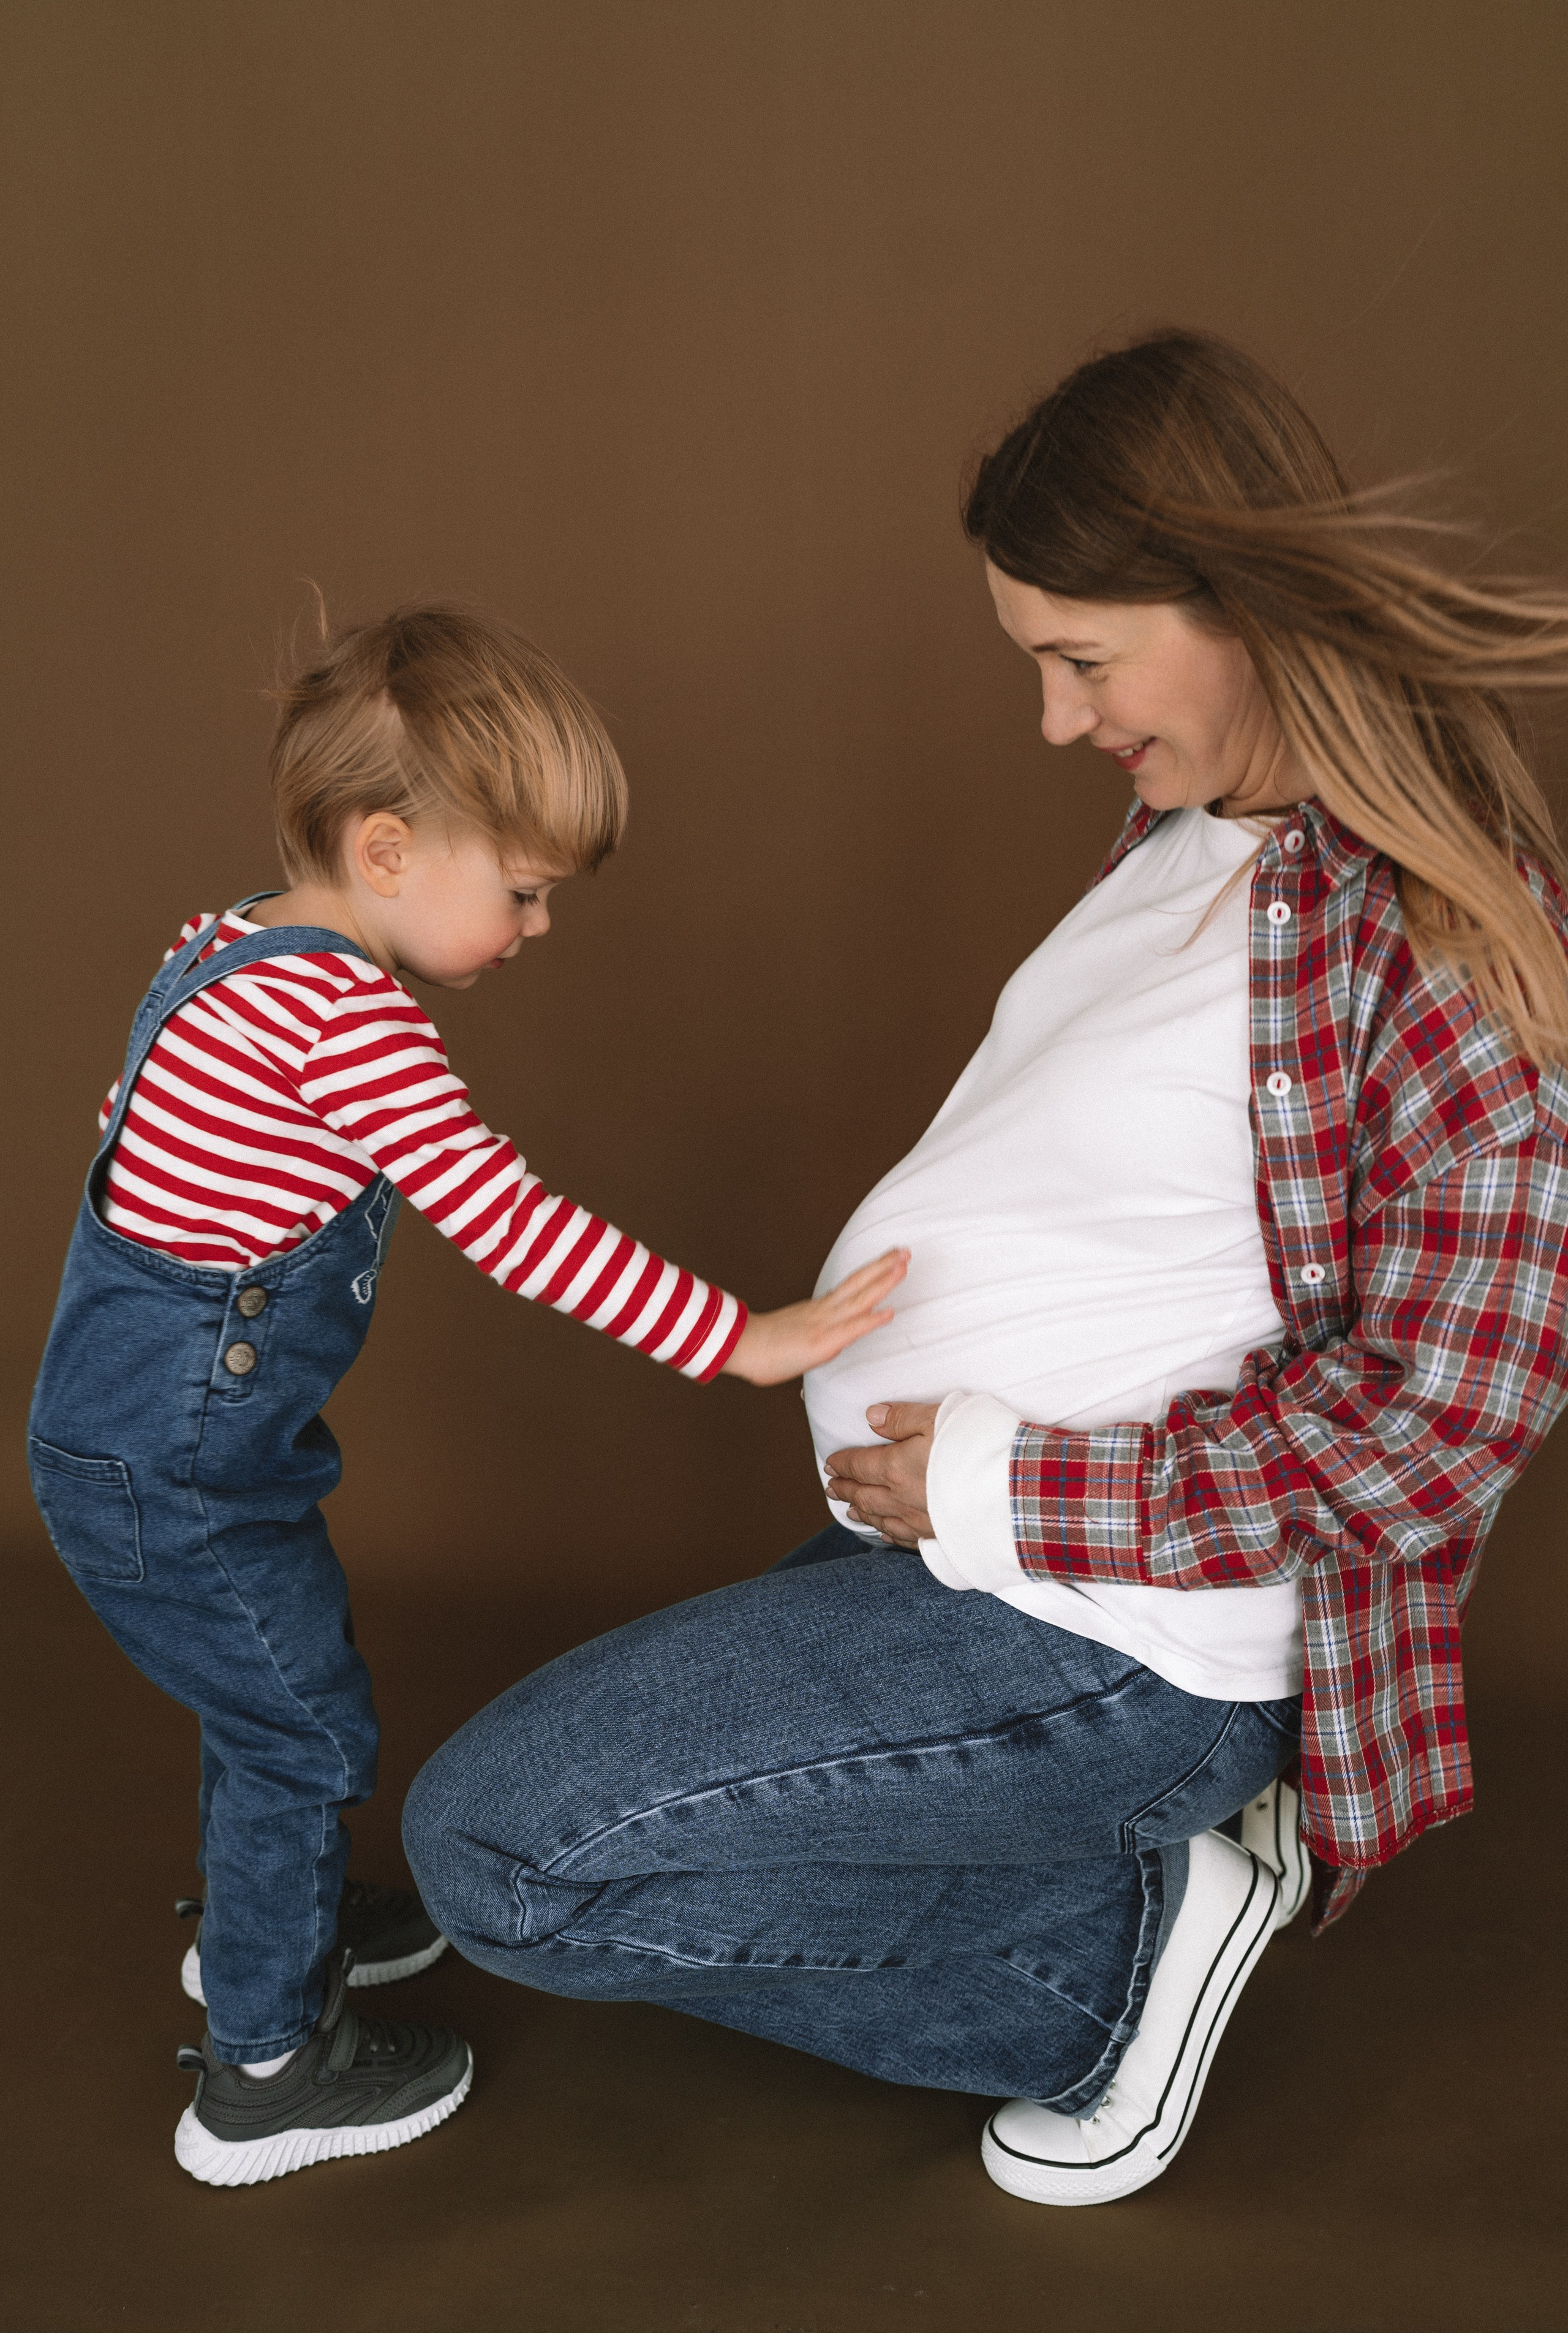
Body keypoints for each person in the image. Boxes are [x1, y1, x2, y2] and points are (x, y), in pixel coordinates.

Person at [403, 331, 1568, 2206]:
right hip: (967, 1556)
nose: (1052, 719)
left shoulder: (1438, 943)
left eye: (1082, 661)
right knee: (563, 1818)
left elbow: (1440, 1430)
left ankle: (1097, 1983)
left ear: (1243, 601)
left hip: (1123, 1637)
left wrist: (1003, 1476)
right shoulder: (1207, 826)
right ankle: (1114, 1885)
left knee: (503, 1861)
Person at [26, 602, 905, 2188]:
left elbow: (125, 1127)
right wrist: (745, 1338)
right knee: (302, 1723)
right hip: (178, 1465)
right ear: (385, 852)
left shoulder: (226, 945)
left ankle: (263, 1928)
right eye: (522, 892)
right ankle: (264, 2072)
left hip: (145, 1441)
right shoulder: (349, 1018)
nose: (537, 927)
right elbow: (514, 1227)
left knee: (269, 1691)